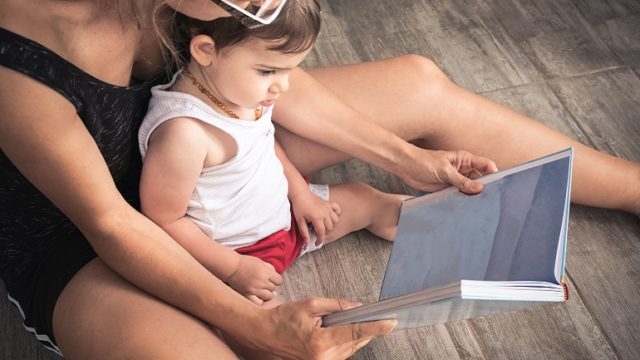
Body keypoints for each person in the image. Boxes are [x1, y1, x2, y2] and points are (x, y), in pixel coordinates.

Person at [1, 0, 638, 358]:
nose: (265, 5)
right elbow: (115, 222)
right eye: (252, 2)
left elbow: (266, 82)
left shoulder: (205, 23)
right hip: (85, 234)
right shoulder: (16, 63)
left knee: (417, 81)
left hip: (211, 132)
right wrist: (250, 320)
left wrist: (409, 160)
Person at [137, 0, 430, 312]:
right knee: (258, 316)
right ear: (206, 51)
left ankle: (442, 221)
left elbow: (266, 142)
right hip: (234, 254)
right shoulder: (185, 133)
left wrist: (301, 193)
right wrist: (233, 268)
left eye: (291, 69)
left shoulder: (240, 91)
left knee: (363, 197)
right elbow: (164, 219)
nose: (283, 86)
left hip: (288, 218)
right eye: (268, 70)